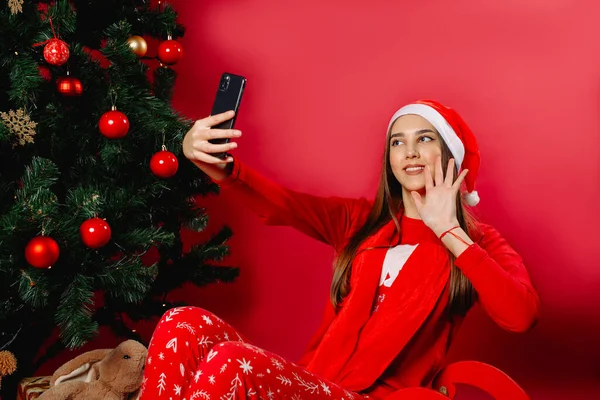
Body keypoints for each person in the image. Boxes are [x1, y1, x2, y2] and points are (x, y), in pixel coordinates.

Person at [139, 99, 540, 400]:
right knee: (182, 320)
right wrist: (211, 161)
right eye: (398, 142)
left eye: (425, 138)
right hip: (312, 385)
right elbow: (279, 205)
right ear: (390, 160)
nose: (410, 151)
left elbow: (520, 315)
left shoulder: (479, 242)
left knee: (228, 360)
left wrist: (450, 231)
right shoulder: (361, 222)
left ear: (450, 156)